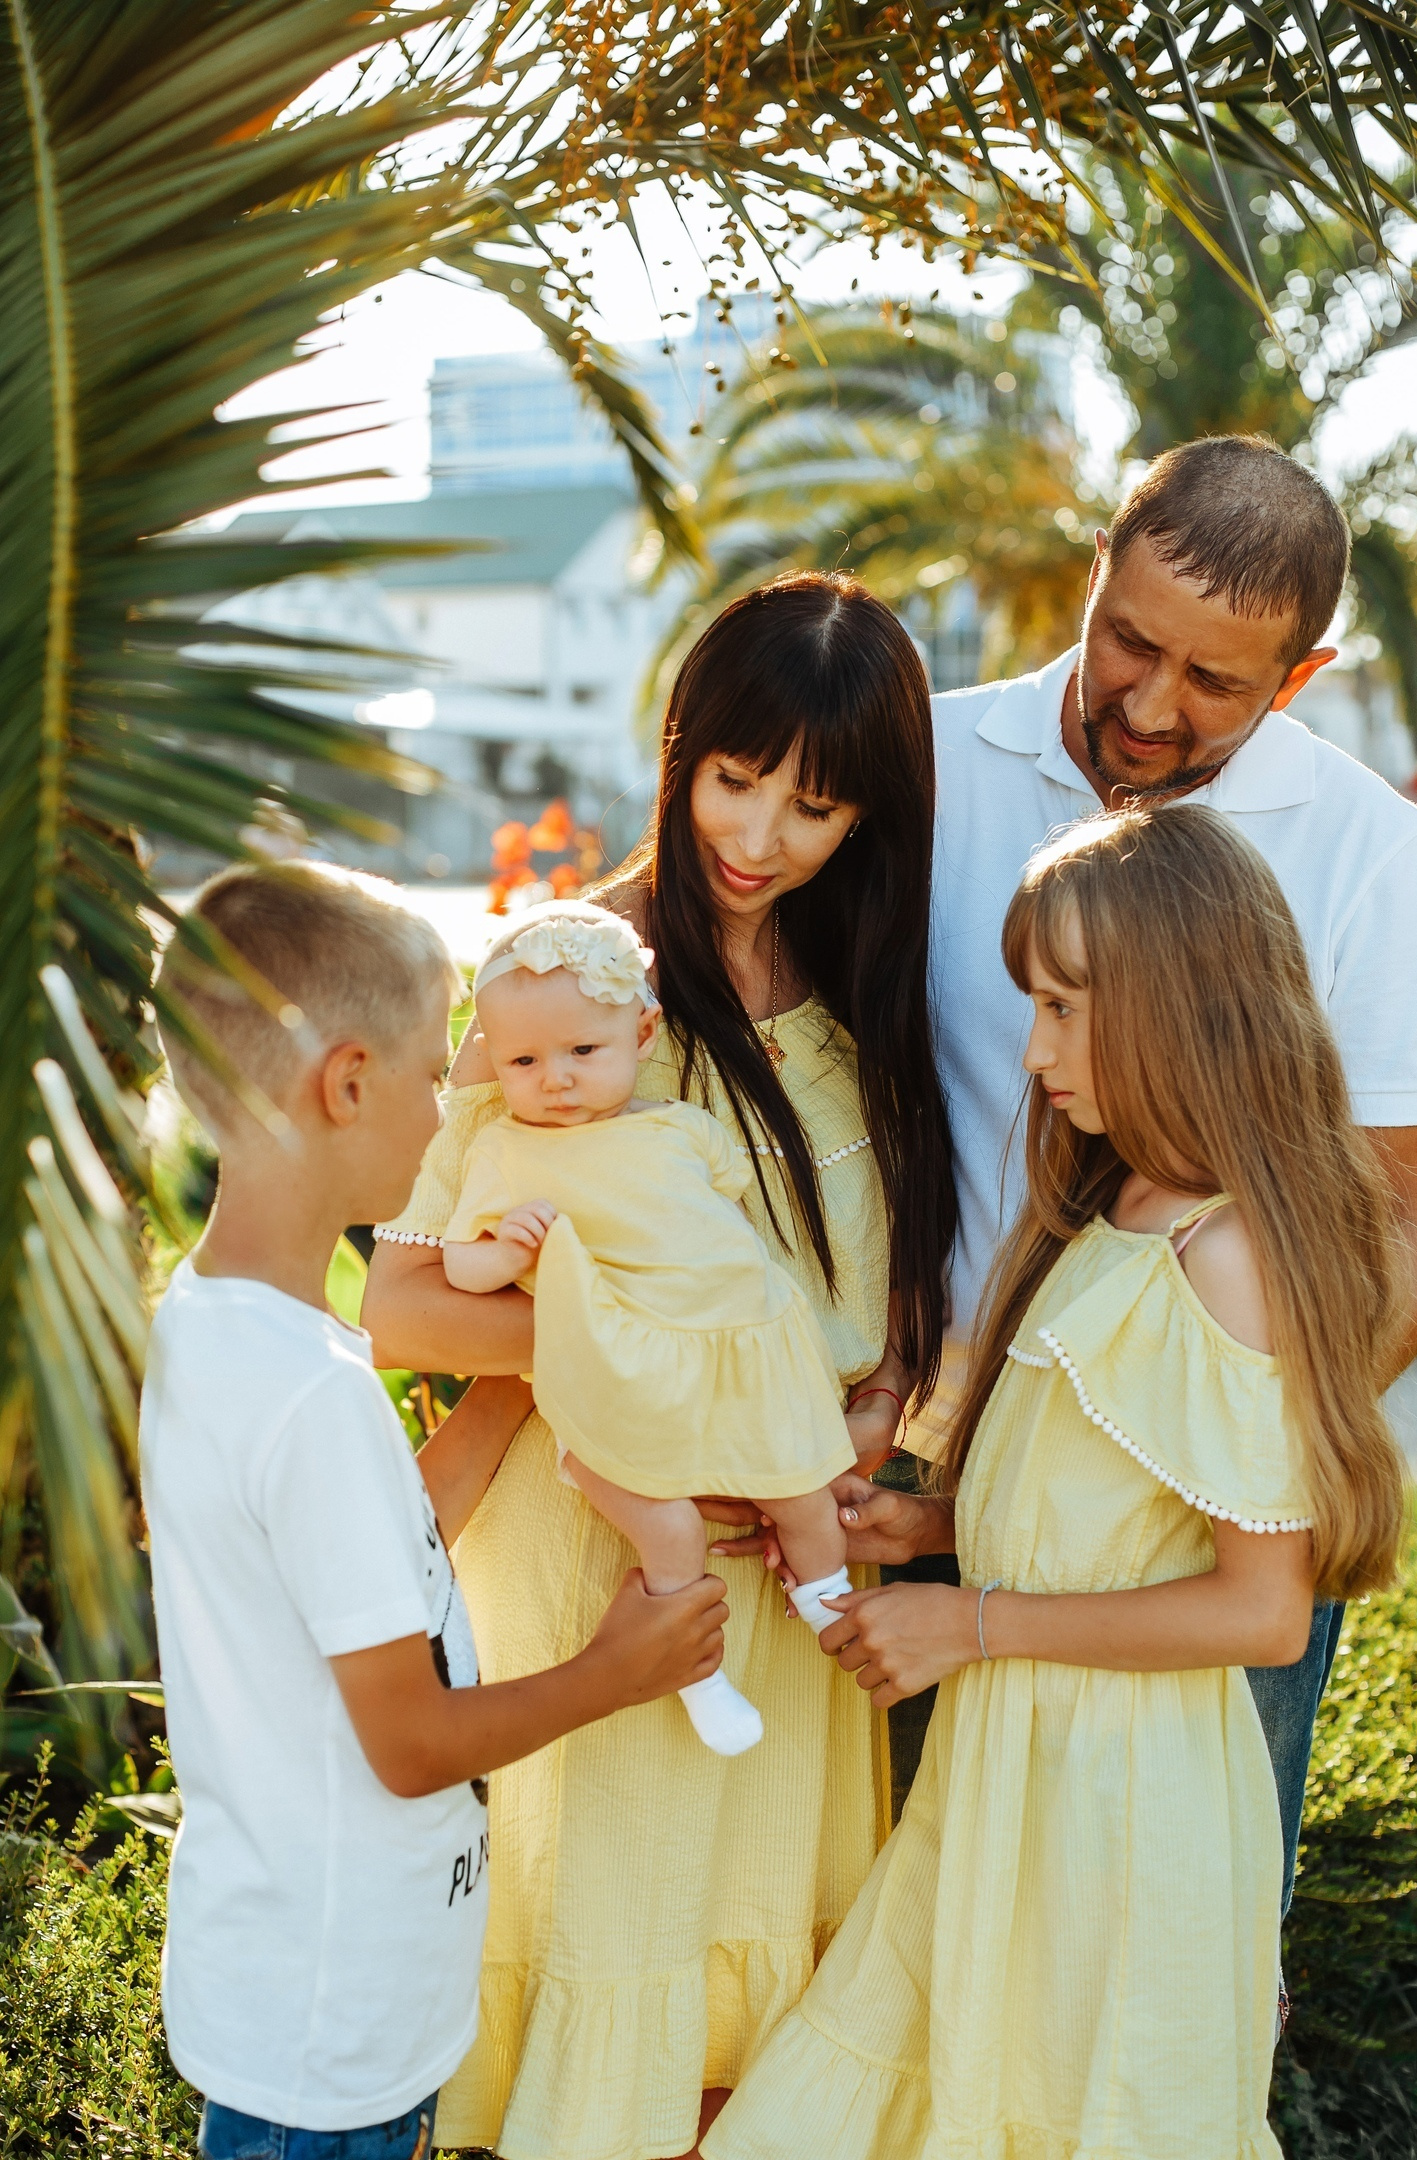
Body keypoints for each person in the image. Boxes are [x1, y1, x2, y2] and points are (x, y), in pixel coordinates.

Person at [703, 803, 1407, 2160]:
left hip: (1118, 1822)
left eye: (1069, 1009)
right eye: (1037, 1004)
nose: (1034, 1053)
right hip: (1018, 1779)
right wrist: (931, 1523)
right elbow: (1111, 1514)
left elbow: (1262, 1612)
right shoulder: (1116, 1209)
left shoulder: (1226, 1257)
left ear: (1182, 1007)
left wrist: (966, 1622)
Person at [361, 571, 956, 2160]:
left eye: (814, 808)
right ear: (681, 749)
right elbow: (407, 1311)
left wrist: (868, 1417)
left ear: (868, 823)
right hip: (612, 1565)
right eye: (734, 779)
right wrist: (665, 1393)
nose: (758, 837)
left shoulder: (865, 1000)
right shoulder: (569, 987)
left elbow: (880, 1300)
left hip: (789, 1570)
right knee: (609, 2025)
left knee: (751, 2059)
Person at [910, 433, 1417, 1891]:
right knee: (920, 1941)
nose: (1148, 705)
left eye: (1214, 682)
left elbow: (1409, 1226)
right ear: (1094, 572)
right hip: (912, 1485)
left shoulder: (1379, 861)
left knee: (1172, 1949)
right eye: (1129, 641)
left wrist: (1201, 1487)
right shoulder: (923, 753)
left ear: (1302, 676)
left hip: (1204, 1540)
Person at [143, 862, 727, 2160]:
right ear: (345, 1085)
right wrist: (613, 1672)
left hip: (310, 1991)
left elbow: (369, 1548)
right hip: (329, 2035)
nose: (450, 1104)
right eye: (431, 1074)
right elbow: (410, 1746)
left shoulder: (229, 1330)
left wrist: (533, 1369)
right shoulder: (310, 1398)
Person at [441, 900, 860, 1757]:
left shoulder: (682, 1128)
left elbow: (729, 1201)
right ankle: (698, 1677)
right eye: (524, 1060)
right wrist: (503, 1246)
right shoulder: (507, 1153)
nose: (554, 1079)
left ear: (642, 1034)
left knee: (801, 1494)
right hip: (615, 1381)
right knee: (667, 1530)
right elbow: (460, 1266)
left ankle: (833, 1609)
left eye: (581, 1052)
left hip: (732, 1361)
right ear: (493, 1057)